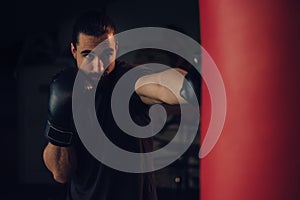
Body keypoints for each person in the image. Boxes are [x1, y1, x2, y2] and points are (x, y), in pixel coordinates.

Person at [42, 10, 199, 200]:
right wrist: (59, 123)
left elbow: (158, 83)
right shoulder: (66, 90)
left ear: (115, 48)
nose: (99, 67)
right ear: (73, 51)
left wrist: (189, 84)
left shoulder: (128, 80)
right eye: (88, 55)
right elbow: (61, 173)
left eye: (105, 54)